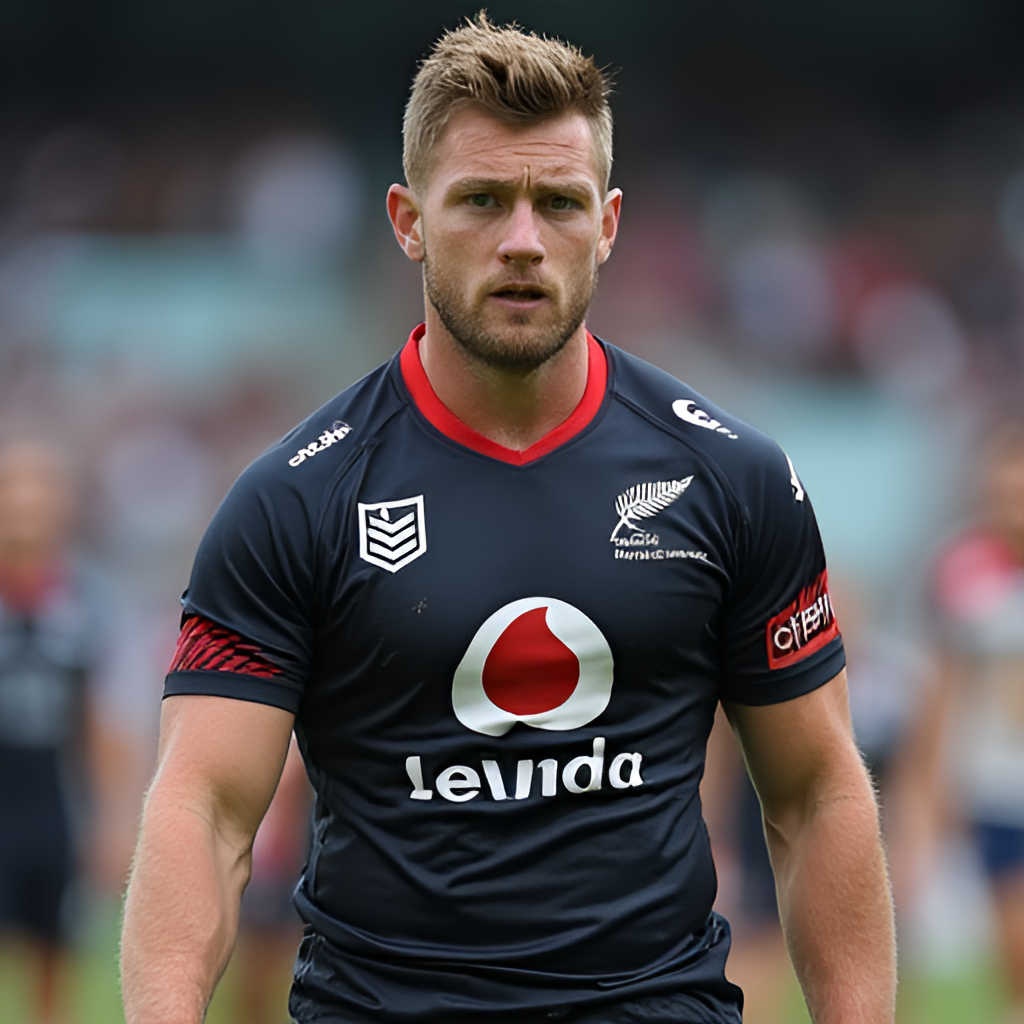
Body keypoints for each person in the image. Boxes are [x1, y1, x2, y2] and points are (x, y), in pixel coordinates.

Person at [120, 15, 896, 1024]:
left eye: (558, 203)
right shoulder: (293, 500)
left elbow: (817, 794)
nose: (523, 241)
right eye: (482, 200)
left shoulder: (731, 479)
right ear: (408, 220)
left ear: (607, 224)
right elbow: (205, 811)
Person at [0, 439, 120, 1023]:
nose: (27, 502)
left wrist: (112, 819)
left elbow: (100, 722)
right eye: (14, 487)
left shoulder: (87, 599)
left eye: (40, 488)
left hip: (55, 808)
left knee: (55, 958)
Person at [908, 422, 1024, 1022]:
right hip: (997, 787)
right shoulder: (966, 569)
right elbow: (942, 689)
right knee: (1014, 944)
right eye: (999, 494)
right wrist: (929, 795)